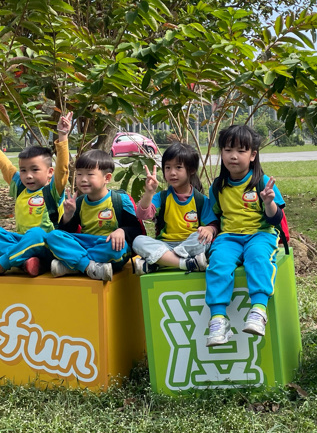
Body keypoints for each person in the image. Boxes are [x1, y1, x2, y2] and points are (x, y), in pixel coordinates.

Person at [198, 124, 286, 347]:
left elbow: (276, 219)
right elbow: (214, 218)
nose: (233, 156)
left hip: (260, 234)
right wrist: (210, 229)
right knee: (218, 262)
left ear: (253, 155)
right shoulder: (218, 186)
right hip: (229, 237)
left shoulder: (263, 182)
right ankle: (218, 319)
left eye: (241, 150)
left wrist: (269, 202)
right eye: (227, 150)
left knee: (257, 257)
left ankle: (258, 310)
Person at [0, 113, 72, 277]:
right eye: (23, 170)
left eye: (35, 170)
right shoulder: (20, 186)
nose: (28, 175)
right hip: (21, 242)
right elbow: (4, 164)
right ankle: (25, 262)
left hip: (47, 245)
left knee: (35, 233)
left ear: (50, 172)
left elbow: (63, 169)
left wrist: (63, 136)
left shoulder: (53, 189)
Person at [44, 149, 141, 281]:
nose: (83, 179)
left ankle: (74, 265)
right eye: (79, 174)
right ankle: (89, 267)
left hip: (108, 245)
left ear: (107, 178)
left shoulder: (120, 200)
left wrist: (122, 231)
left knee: (119, 247)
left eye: (90, 174)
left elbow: (136, 230)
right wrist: (68, 215)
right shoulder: (79, 202)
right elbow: (67, 232)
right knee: (52, 236)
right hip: (86, 243)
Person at [131, 142, 210, 274]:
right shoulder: (161, 197)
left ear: (191, 170)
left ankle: (161, 262)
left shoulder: (201, 200)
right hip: (165, 244)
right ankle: (187, 263)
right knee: (138, 241)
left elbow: (212, 224)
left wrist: (210, 229)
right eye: (167, 168)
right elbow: (142, 215)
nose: (172, 173)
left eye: (178, 167)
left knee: (203, 239)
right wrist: (149, 193)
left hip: (189, 244)